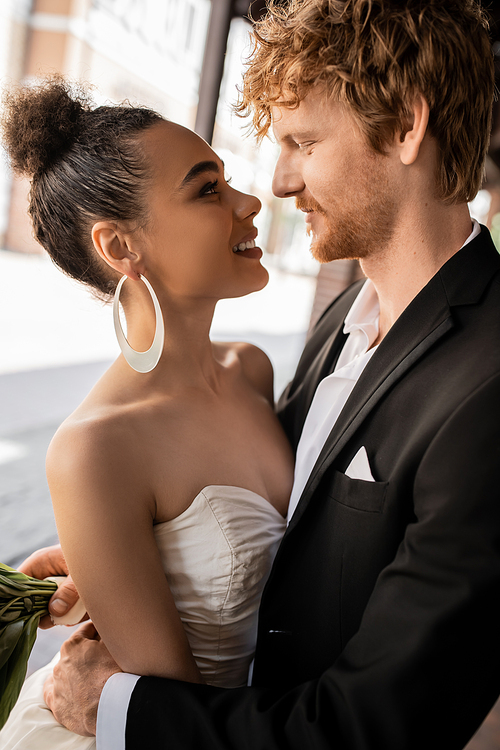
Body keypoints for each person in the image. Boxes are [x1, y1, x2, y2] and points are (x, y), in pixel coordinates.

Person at [6, 0, 500, 747]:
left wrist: (117, 707)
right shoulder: (341, 325)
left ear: (406, 128)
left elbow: (377, 724)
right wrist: (130, 561)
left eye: (302, 141)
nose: (276, 184)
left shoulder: (487, 379)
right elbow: (299, 517)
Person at [0, 78, 294, 749]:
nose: (251, 203)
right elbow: (171, 702)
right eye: (207, 189)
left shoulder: (252, 369)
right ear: (120, 247)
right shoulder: (94, 449)